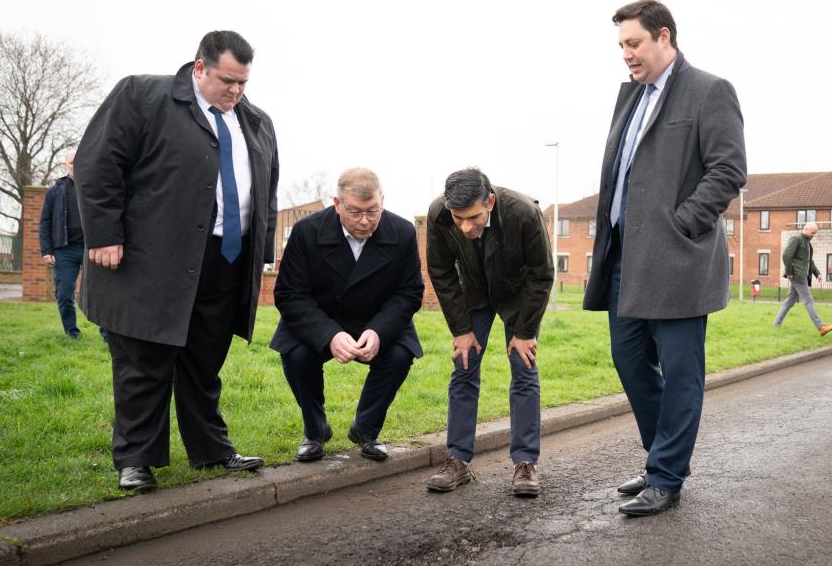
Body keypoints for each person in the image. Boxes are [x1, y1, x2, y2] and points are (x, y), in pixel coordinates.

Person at [74, 30, 279, 492]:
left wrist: (259, 255)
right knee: (144, 358)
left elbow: (266, 189)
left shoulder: (257, 122)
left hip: (226, 259)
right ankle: (137, 460)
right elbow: (98, 162)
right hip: (152, 258)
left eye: (244, 83)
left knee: (204, 360)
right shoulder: (143, 96)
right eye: (228, 80)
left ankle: (211, 449)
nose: (236, 91)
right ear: (200, 67)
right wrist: (104, 233)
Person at [582, 0, 747, 516]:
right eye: (621, 46)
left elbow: (729, 169)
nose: (626, 55)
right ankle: (663, 456)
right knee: (629, 361)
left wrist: (684, 224)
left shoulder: (709, 91)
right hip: (623, 260)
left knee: (680, 373)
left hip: (677, 260)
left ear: (664, 36)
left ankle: (666, 475)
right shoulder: (630, 97)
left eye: (633, 43)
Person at [270, 168, 423, 462]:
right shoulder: (307, 232)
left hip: (376, 318)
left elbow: (409, 293)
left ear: (382, 201)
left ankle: (367, 428)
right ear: (337, 203)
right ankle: (315, 431)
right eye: (354, 213)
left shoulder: (403, 233)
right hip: (321, 317)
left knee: (401, 354)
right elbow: (290, 294)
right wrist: (329, 334)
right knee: (296, 354)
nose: (364, 221)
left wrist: (379, 330)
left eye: (372, 211)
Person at [425, 168, 553, 497]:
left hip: (519, 292)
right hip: (475, 294)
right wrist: (462, 329)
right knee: (464, 365)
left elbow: (543, 274)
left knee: (523, 367)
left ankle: (525, 463)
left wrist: (524, 331)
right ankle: (457, 460)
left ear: (490, 202)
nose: (466, 227)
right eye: (459, 219)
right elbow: (440, 271)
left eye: (474, 218)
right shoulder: (439, 214)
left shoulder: (524, 212)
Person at [38, 150, 107, 340]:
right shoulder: (55, 191)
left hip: (91, 248)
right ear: (65, 165)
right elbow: (45, 221)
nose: (76, 165)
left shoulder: (96, 188)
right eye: (72, 163)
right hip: (64, 250)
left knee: (101, 292)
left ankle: (107, 334)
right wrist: (47, 250)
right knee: (65, 294)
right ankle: (72, 333)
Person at [773, 222, 832, 335]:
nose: (813, 235)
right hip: (797, 275)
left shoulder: (808, 244)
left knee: (789, 302)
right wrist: (789, 273)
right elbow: (786, 256)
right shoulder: (796, 239)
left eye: (815, 233)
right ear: (806, 229)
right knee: (808, 300)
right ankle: (821, 327)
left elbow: (809, 262)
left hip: (801, 275)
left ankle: (776, 324)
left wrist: (818, 274)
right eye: (812, 232)